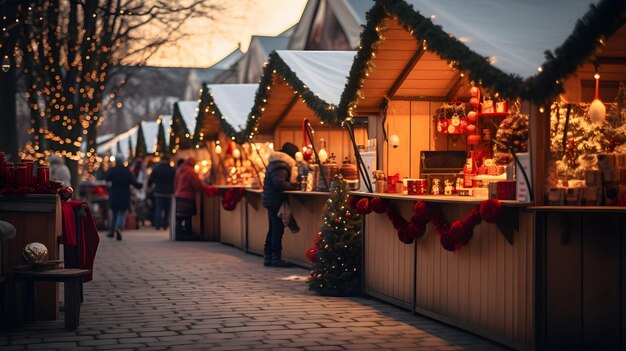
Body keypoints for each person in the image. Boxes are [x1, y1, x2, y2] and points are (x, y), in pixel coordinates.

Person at [262, 142, 299, 268]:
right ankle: (275, 258)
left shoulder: (276, 163)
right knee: (277, 229)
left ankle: (268, 257)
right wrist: (294, 186)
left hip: (271, 200)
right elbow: (279, 183)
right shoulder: (281, 166)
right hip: (275, 201)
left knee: (273, 229)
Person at [106, 155, 142, 240]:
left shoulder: (112, 170)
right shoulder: (127, 171)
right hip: (124, 195)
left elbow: (106, 179)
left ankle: (111, 231)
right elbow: (134, 182)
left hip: (114, 194)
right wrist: (140, 186)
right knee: (122, 213)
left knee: (114, 214)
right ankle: (119, 228)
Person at [174, 157, 205, 240]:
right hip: (187, 197)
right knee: (188, 217)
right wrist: (203, 187)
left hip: (179, 196)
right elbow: (197, 185)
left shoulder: (179, 170)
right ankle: (188, 235)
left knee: (179, 217)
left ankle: (178, 234)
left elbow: (175, 183)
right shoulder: (191, 171)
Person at [148, 155, 175, 230]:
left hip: (158, 191)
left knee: (158, 209)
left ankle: (158, 225)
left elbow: (151, 179)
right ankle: (165, 224)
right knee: (167, 209)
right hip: (169, 192)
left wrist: (150, 186)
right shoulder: (172, 169)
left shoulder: (156, 169)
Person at [131, 157, 148, 226]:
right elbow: (145, 180)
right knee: (141, 206)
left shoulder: (134, 170)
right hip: (140, 190)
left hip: (137, 190)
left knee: (136, 207)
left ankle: (138, 220)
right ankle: (141, 220)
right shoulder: (143, 171)